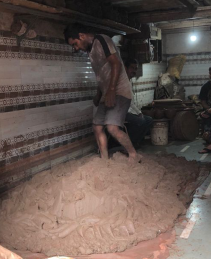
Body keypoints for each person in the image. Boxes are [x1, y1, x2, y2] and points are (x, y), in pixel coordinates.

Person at [65, 25, 139, 163]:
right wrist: (99, 94)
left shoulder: (101, 40)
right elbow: (101, 76)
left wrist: (111, 90)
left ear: (81, 36)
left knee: (112, 128)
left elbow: (116, 64)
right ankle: (104, 160)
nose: (75, 48)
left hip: (120, 91)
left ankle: (134, 154)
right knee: (97, 127)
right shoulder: (90, 51)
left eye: (75, 44)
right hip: (107, 93)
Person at [124, 59, 153, 148]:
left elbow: (131, 103)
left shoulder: (129, 81)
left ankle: (136, 141)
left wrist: (139, 112)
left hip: (129, 111)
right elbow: (127, 103)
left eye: (135, 69)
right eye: (132, 68)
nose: (134, 71)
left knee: (149, 120)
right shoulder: (122, 82)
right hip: (121, 112)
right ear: (125, 68)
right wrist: (139, 113)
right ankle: (130, 144)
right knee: (140, 121)